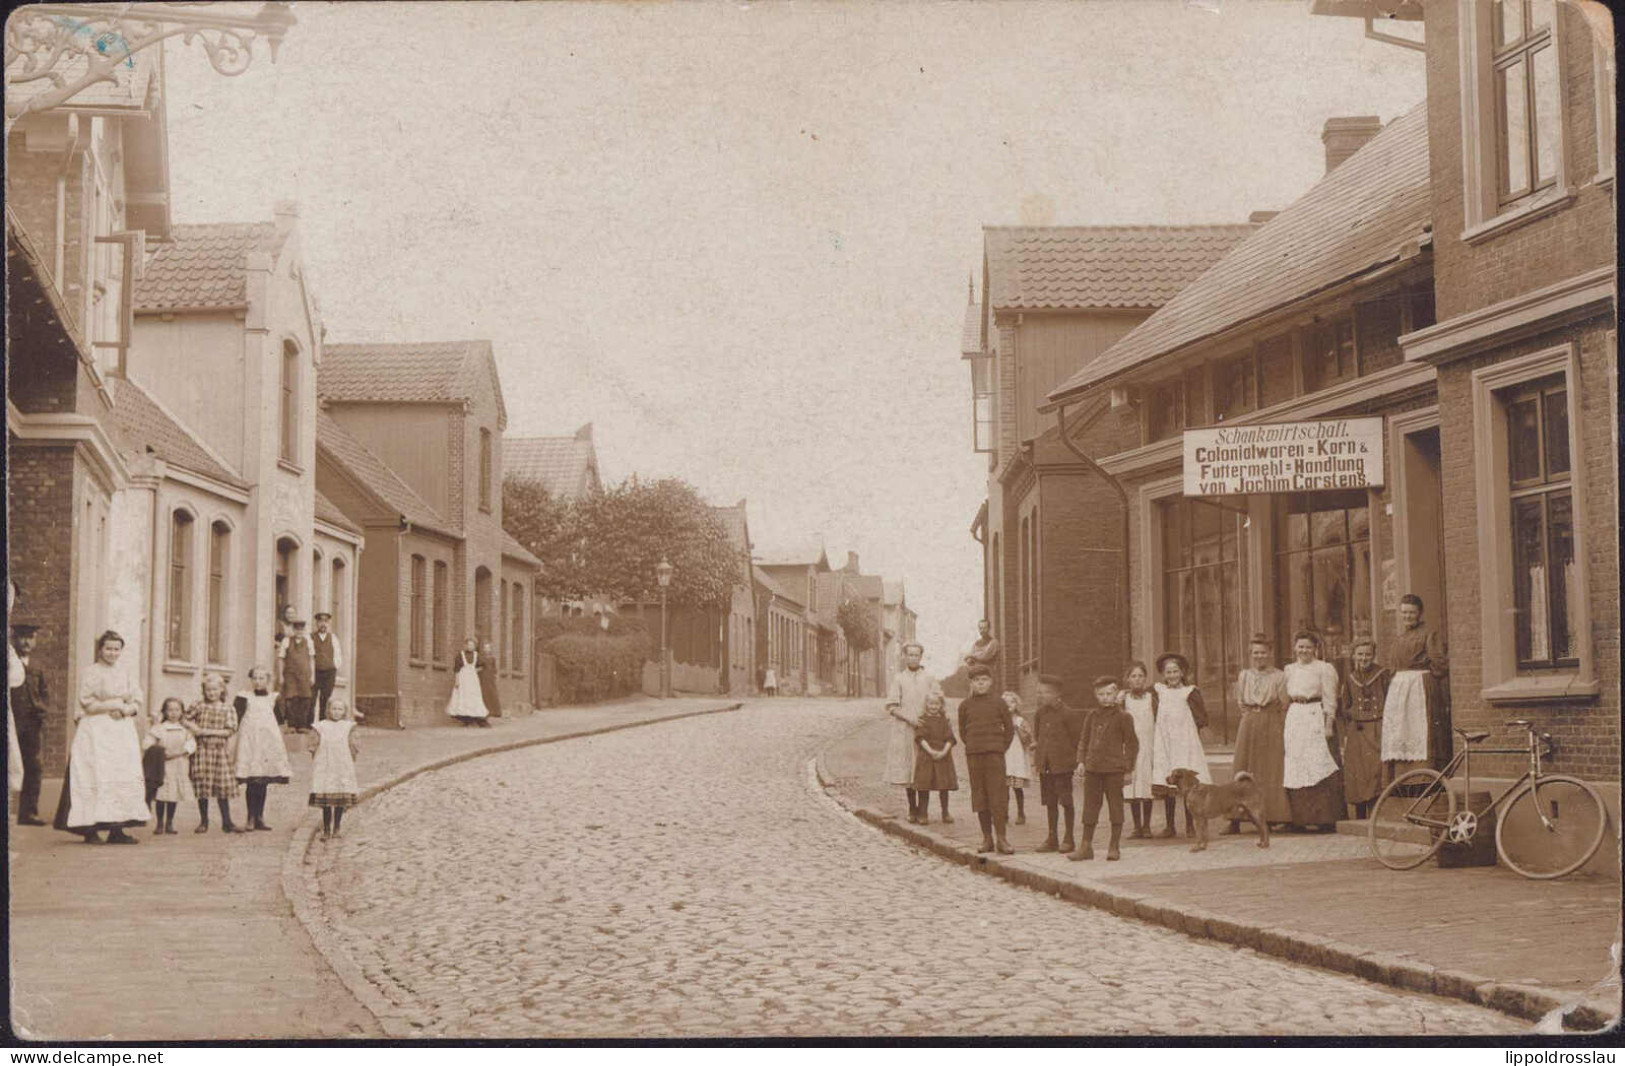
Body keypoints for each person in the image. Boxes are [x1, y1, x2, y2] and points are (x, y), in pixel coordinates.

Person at [53, 630, 148, 844]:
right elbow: (87, 701)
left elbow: (137, 698)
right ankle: (90, 829)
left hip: (121, 731)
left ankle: (117, 829)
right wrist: (113, 705)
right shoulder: (92, 672)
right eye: (108, 648)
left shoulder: (125, 672)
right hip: (96, 729)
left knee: (121, 775)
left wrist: (126, 710)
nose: (113, 653)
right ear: (100, 649)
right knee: (94, 774)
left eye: (116, 649)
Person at [1070, 676, 1140, 862]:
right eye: (1101, 694)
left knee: (1115, 807)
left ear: (1116, 694)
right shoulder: (1092, 716)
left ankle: (1114, 846)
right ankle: (1086, 846)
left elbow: (1132, 745)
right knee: (1090, 807)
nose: (1105, 697)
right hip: (1093, 769)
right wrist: (1081, 761)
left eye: (1109, 693)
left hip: (1114, 770)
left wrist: (1128, 769)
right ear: (1095, 695)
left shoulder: (1124, 717)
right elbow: (1084, 740)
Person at [1227, 635, 1291, 834]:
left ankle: (1270, 817)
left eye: (1263, 652)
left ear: (1270, 654)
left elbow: (1284, 704)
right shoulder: (1244, 675)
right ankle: (1235, 818)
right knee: (1243, 766)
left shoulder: (1279, 676)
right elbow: (1241, 702)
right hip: (1249, 722)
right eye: (1255, 653)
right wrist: (1250, 717)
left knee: (1270, 768)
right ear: (1250, 655)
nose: (1259, 656)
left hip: (1271, 721)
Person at [1282, 631, 1345, 832]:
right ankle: (1299, 819)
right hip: (1295, 717)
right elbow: (1285, 697)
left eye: (1308, 647)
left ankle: (1324, 818)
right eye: (1300, 646)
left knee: (1319, 762)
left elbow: (1330, 698)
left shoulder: (1324, 669)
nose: (1304, 650)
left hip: (1315, 716)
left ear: (1315, 649)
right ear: (1295, 648)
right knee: (1297, 763)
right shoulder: (1289, 670)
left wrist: (1328, 725)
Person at [1381, 593, 1450, 776]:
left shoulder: (1428, 633)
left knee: (1419, 730)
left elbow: (1439, 662)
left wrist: (1425, 679)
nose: (1407, 616)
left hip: (1418, 687)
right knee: (1400, 731)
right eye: (1404, 613)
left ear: (1419, 613)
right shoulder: (1400, 637)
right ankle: (1402, 779)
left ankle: (1424, 777)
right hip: (1399, 690)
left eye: (1411, 613)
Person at [1150, 653, 1209, 838]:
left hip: (1185, 742)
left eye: (1176, 671)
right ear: (1163, 674)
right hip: (1165, 741)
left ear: (1182, 673)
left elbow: (1201, 718)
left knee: (1186, 782)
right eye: (1169, 672)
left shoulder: (1190, 692)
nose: (1173, 676)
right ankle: (1170, 825)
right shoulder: (1158, 692)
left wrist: (1190, 736)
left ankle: (1190, 825)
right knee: (1169, 782)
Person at [957, 664, 1014, 854]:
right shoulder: (965, 705)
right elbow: (963, 732)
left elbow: (1009, 730)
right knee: (980, 795)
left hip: (994, 755)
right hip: (974, 755)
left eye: (983, 680)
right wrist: (975, 746)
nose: (980, 684)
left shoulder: (999, 703)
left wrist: (998, 748)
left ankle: (1002, 839)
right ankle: (987, 838)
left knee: (997, 796)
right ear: (971, 683)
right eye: (976, 681)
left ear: (990, 682)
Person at [883, 642, 940, 823]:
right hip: (905, 730)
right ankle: (912, 808)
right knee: (909, 769)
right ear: (904, 657)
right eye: (910, 655)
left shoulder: (929, 678)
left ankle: (923, 811)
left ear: (921, 657)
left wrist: (930, 719)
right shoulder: (899, 678)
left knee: (923, 768)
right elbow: (892, 707)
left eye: (916, 655)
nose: (913, 658)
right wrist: (909, 718)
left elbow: (938, 701)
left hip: (925, 729)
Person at [1029, 674, 1084, 854]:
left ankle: (1069, 838)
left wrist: (1074, 764)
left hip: (1063, 767)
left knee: (1066, 801)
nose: (1040, 696)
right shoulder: (1040, 714)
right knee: (1050, 802)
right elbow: (1038, 737)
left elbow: (1076, 740)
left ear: (1056, 694)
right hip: (1046, 766)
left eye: (1045, 692)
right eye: (1039, 692)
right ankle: (1052, 838)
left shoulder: (1068, 714)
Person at [235, 666, 292, 831]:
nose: (258, 681)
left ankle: (260, 816)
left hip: (267, 744)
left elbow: (280, 721)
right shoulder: (244, 697)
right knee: (252, 781)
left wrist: (279, 745)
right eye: (255, 678)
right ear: (251, 680)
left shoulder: (273, 698)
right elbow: (236, 719)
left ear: (268, 681)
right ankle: (250, 817)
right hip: (250, 742)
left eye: (262, 678)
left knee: (263, 782)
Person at [1339, 637, 1390, 820]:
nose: (1363, 658)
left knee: (1374, 769)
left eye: (1368, 654)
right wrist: (1351, 718)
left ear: (1373, 655)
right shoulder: (1350, 677)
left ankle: (1374, 814)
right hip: (1357, 729)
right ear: (1354, 655)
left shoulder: (1383, 674)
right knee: (1357, 771)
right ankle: (1360, 814)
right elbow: (1345, 705)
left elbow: (1389, 700)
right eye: (1360, 654)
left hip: (1376, 726)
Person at [185, 672, 243, 833]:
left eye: (215, 690)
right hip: (202, 751)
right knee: (202, 785)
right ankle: (204, 821)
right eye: (208, 690)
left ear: (222, 690)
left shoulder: (227, 708)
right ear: (204, 691)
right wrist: (193, 728)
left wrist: (206, 731)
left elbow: (230, 730)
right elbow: (184, 718)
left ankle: (227, 821)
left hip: (219, 751)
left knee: (222, 786)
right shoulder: (198, 705)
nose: (212, 693)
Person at [9, 621, 50, 825]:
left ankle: (28, 813)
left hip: (32, 723)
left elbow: (44, 692)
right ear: (14, 639)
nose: (26, 642)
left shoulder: (37, 666)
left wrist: (42, 709)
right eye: (22, 637)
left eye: (30, 637)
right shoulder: (9, 663)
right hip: (11, 721)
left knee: (33, 766)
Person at [309, 697, 360, 840]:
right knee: (326, 798)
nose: (336, 712)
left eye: (340, 709)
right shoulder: (321, 726)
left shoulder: (348, 726)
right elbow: (313, 745)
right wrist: (314, 755)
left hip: (342, 765)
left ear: (344, 711)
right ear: (328, 710)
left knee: (340, 797)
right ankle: (326, 829)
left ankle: (337, 827)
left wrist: (352, 757)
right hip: (325, 765)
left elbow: (353, 745)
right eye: (334, 709)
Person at [145, 698, 196, 835]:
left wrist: (180, 752)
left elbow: (191, 745)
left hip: (179, 764)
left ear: (182, 712)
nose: (173, 713)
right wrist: (159, 750)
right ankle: (159, 823)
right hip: (163, 765)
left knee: (173, 794)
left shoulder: (185, 729)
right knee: (162, 794)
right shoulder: (159, 728)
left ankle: (170, 822)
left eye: (177, 710)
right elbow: (147, 743)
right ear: (165, 712)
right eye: (170, 710)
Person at [1119, 662, 1157, 839]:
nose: (1137, 679)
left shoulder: (1152, 698)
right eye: (1133, 676)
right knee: (1133, 785)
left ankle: (1147, 825)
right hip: (1131, 747)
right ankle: (1136, 827)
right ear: (1128, 680)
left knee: (1146, 784)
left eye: (1141, 676)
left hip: (1148, 746)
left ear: (1145, 678)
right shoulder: (1123, 700)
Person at [911, 692, 958, 824]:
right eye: (931, 703)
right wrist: (931, 751)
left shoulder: (944, 720)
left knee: (944, 786)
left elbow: (950, 738)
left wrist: (944, 752)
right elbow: (920, 738)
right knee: (924, 785)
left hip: (943, 756)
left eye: (936, 703)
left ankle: (945, 812)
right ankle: (923, 813)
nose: (933, 706)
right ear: (926, 704)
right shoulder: (922, 720)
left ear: (941, 705)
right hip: (926, 756)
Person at [1001, 690, 1034, 825]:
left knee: (1017, 787)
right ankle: (1004, 813)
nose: (1009, 705)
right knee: (1003, 788)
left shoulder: (1020, 720)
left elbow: (1028, 739)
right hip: (1004, 755)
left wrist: (1018, 729)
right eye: (1005, 702)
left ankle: (1021, 812)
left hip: (1017, 756)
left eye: (1012, 702)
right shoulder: (999, 720)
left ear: (1016, 704)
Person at [279, 618, 316, 733]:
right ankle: (292, 725)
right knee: (291, 698)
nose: (299, 632)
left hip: (304, 674)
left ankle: (303, 725)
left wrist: (312, 675)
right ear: (293, 630)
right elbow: (281, 658)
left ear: (304, 630)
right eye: (296, 629)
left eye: (301, 629)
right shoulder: (286, 641)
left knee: (305, 699)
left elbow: (311, 659)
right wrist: (280, 675)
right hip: (290, 674)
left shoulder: (308, 641)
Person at [448, 639, 492, 726]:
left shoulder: (476, 655)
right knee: (463, 697)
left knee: (473, 697)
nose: (470, 647)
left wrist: (474, 670)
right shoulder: (460, 655)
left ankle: (476, 718)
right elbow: (456, 669)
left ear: (474, 646)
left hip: (472, 680)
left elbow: (483, 665)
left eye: (472, 645)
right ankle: (465, 719)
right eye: (468, 645)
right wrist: (457, 681)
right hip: (463, 679)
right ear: (465, 645)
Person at [311, 612, 342, 722]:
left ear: (328, 623)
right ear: (316, 623)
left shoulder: (333, 638)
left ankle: (323, 722)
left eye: (325, 621)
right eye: (320, 621)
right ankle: (310, 724)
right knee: (312, 699)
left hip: (328, 672)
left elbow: (338, 655)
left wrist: (334, 667)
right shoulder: (311, 638)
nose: (323, 624)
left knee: (325, 698)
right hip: (314, 673)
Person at [478, 641, 503, 719]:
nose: (486, 650)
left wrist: (495, 675)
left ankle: (493, 711)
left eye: (488, 648)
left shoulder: (492, 658)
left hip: (490, 678)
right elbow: (479, 667)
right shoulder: (480, 658)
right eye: (485, 648)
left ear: (490, 650)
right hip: (483, 678)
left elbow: (494, 669)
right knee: (484, 694)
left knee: (491, 694)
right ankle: (484, 712)